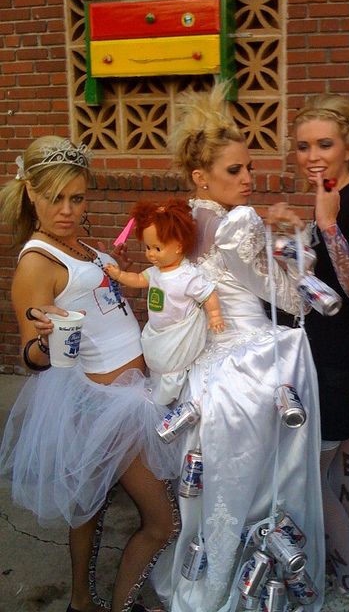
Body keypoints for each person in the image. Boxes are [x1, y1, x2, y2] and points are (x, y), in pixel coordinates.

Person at [150, 84, 325, 612]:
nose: (249, 179)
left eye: (249, 167)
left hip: (203, 380)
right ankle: (255, 594)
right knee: (267, 489)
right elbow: (296, 301)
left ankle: (207, 585)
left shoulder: (180, 222)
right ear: (202, 176)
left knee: (215, 498)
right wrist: (302, 250)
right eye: (235, 171)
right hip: (252, 369)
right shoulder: (238, 222)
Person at [0, 137, 180, 612]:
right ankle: (121, 605)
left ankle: (81, 599)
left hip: (132, 392)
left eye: (76, 198)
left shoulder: (76, 242)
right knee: (164, 522)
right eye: (55, 198)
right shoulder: (37, 262)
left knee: (91, 506)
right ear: (31, 195)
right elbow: (30, 357)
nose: (67, 209)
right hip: (107, 406)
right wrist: (47, 338)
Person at [270, 95, 349, 611]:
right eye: (303, 146)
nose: (312, 155)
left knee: (309, 479)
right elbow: (323, 284)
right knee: (344, 465)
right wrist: (296, 231)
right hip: (334, 359)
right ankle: (346, 570)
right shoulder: (336, 198)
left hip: (343, 366)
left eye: (325, 143)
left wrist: (324, 223)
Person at [104, 198, 225, 406]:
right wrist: (119, 274)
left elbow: (208, 293)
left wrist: (214, 315)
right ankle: (158, 386)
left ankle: (166, 396)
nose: (150, 254)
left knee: (171, 367)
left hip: (177, 334)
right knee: (157, 363)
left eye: (157, 248)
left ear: (178, 246)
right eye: (148, 247)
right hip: (158, 332)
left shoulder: (187, 276)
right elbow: (138, 279)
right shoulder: (155, 272)